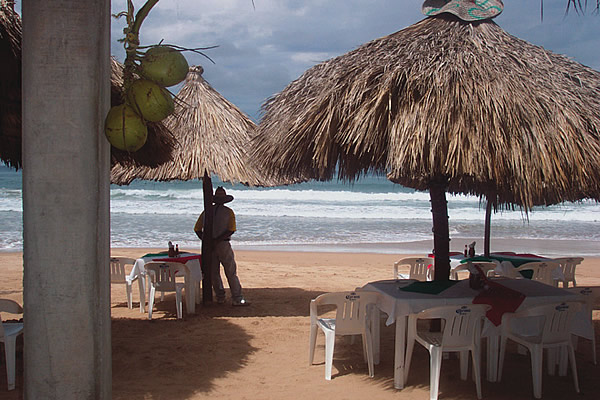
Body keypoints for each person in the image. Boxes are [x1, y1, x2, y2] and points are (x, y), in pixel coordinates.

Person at [194, 186, 249, 306]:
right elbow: (231, 230)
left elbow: (197, 229)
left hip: (210, 246)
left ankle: (220, 296)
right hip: (223, 244)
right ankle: (237, 298)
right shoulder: (229, 212)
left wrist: (207, 241)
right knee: (231, 272)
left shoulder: (206, 212)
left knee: (214, 273)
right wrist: (217, 240)